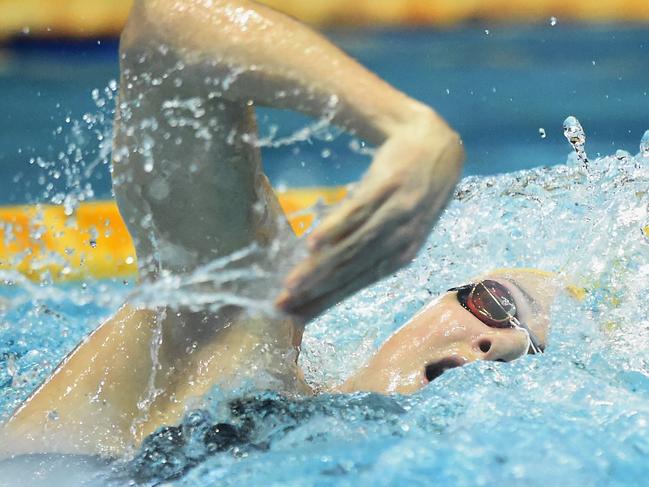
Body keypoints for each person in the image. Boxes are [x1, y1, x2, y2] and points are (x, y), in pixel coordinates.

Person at [0, 0, 559, 460]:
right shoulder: (245, 333)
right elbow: (166, 27)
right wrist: (412, 129)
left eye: (532, 357)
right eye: (496, 303)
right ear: (429, 301)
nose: (501, 344)